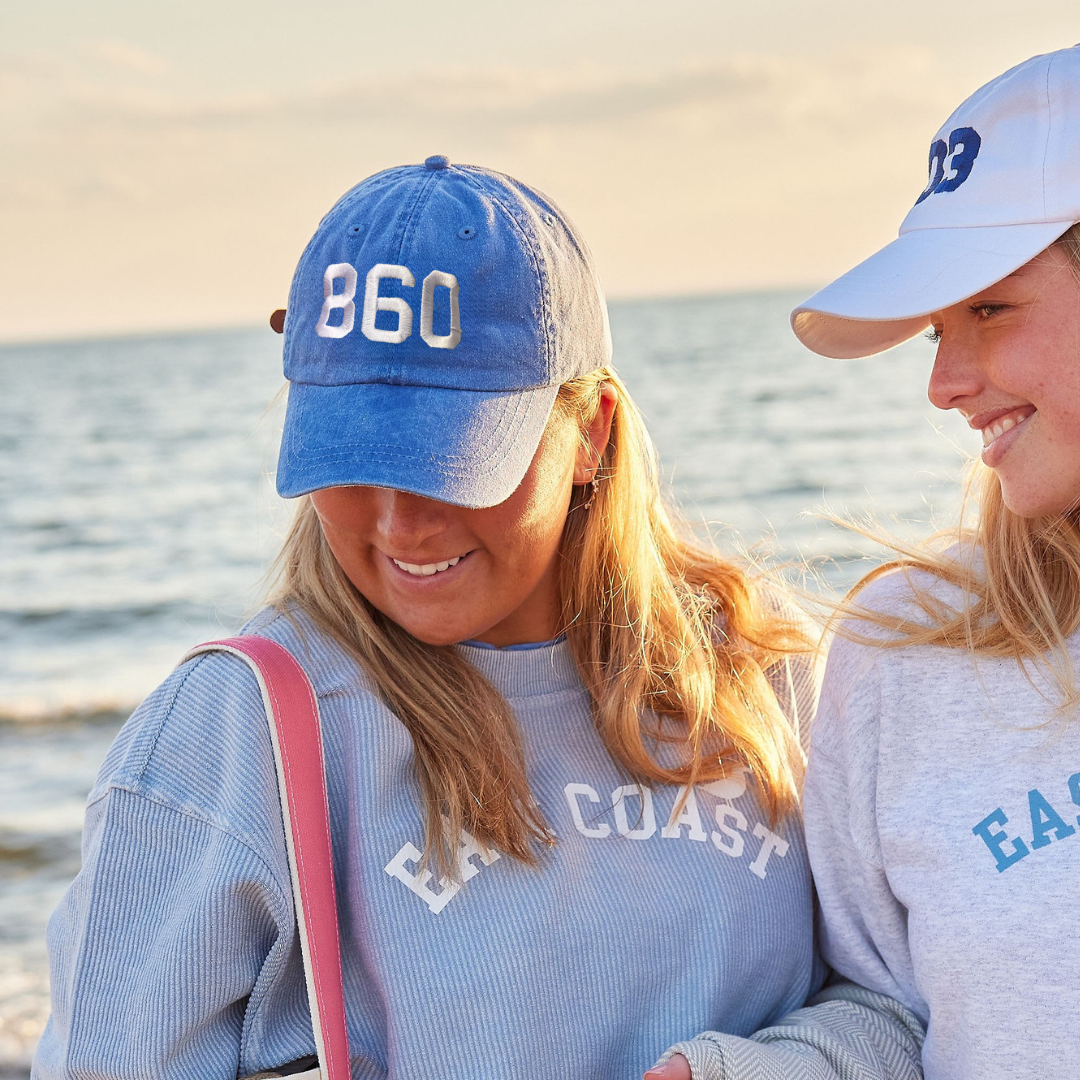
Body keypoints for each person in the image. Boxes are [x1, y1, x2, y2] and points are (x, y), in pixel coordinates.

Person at [33, 158, 921, 1080]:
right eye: (351, 457)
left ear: (592, 433)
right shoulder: (231, 734)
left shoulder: (758, 666)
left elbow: (904, 1008)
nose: (399, 524)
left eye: (449, 460)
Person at [662, 43, 1080, 1080]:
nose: (944, 382)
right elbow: (886, 1007)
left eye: (990, 308)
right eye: (939, 329)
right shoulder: (904, 649)